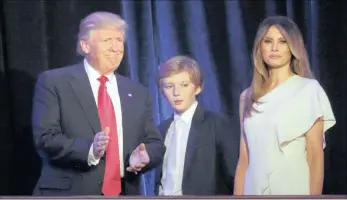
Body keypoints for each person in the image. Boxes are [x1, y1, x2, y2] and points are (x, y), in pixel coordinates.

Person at [31, 11, 165, 196]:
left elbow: (154, 142)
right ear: (86, 46)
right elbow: (45, 139)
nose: (116, 48)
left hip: (124, 193)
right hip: (70, 194)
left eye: (119, 40)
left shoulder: (137, 92)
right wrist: (90, 150)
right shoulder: (55, 82)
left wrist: (146, 156)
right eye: (107, 40)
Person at [233, 16, 336, 195]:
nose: (274, 48)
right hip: (253, 190)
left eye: (282, 42)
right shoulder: (247, 97)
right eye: (268, 41)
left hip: (293, 189)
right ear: (260, 47)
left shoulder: (308, 90)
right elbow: (244, 160)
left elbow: (315, 156)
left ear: (293, 47)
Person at [154, 55, 239, 195]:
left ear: (198, 88)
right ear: (162, 91)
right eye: (169, 86)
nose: (176, 93)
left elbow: (234, 176)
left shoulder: (216, 124)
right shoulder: (161, 130)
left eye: (184, 85)